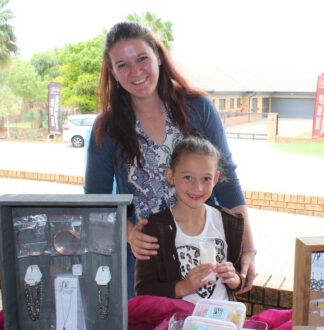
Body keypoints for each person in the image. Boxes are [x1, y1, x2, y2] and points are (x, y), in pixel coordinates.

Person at [84, 22, 256, 298]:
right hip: (145, 261)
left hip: (205, 255)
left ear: (159, 58)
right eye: (122, 65)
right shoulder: (107, 128)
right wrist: (128, 233)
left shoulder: (198, 109)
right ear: (113, 73)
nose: (135, 71)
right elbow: (96, 198)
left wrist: (248, 249)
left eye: (142, 59)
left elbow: (228, 181)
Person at [135, 136, 244, 302]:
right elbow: (143, 290)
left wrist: (235, 280)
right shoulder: (155, 229)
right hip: (178, 325)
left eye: (206, 178)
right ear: (170, 175)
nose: (197, 187)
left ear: (215, 179)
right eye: (188, 177)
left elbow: (237, 274)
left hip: (222, 323)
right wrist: (182, 287)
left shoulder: (229, 222)